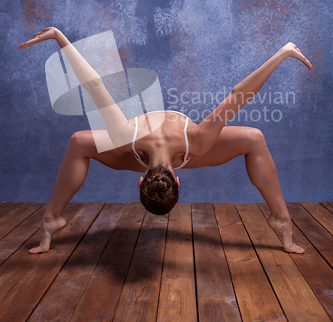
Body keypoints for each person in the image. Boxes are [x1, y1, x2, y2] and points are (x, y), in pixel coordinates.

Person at [18, 27, 313, 254]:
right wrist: (59, 37)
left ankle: (51, 220)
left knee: (79, 142)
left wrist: (282, 53)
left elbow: (239, 95)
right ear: (142, 182)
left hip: (141, 152)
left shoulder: (191, 140)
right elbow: (239, 94)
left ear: (173, 182)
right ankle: (281, 220)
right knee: (254, 138)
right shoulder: (189, 140)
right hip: (158, 152)